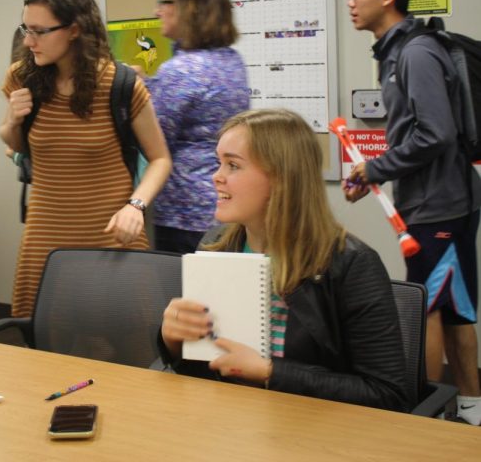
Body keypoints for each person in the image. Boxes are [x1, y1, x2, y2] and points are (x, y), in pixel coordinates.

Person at [159, 109, 411, 412]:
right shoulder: (216, 247)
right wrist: (174, 342)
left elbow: (387, 395)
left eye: (233, 165)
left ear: (281, 178)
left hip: (315, 431)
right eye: (219, 163)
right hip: (230, 422)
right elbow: (204, 373)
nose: (217, 176)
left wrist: (270, 373)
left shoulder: (351, 264)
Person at [343, 0, 481, 423]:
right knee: (455, 307)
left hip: (439, 206)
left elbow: (435, 133)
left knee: (428, 310)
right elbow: (415, 134)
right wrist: (374, 172)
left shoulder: (416, 52)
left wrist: (376, 168)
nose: (350, 2)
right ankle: (470, 408)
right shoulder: (398, 52)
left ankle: (421, 417)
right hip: (439, 202)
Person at [0, 0, 172, 317]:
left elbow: (160, 159)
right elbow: (20, 146)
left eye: (40, 31)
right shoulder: (22, 77)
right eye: (25, 29)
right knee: (47, 345)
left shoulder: (120, 84)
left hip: (112, 236)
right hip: (46, 235)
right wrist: (11, 123)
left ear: (74, 30)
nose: (29, 41)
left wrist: (136, 206)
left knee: (123, 341)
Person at [148, 0, 249, 254]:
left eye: (164, 2)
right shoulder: (232, 61)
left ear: (188, 8)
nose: (157, 10)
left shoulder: (180, 70)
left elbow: (154, 143)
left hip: (183, 217)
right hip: (224, 208)